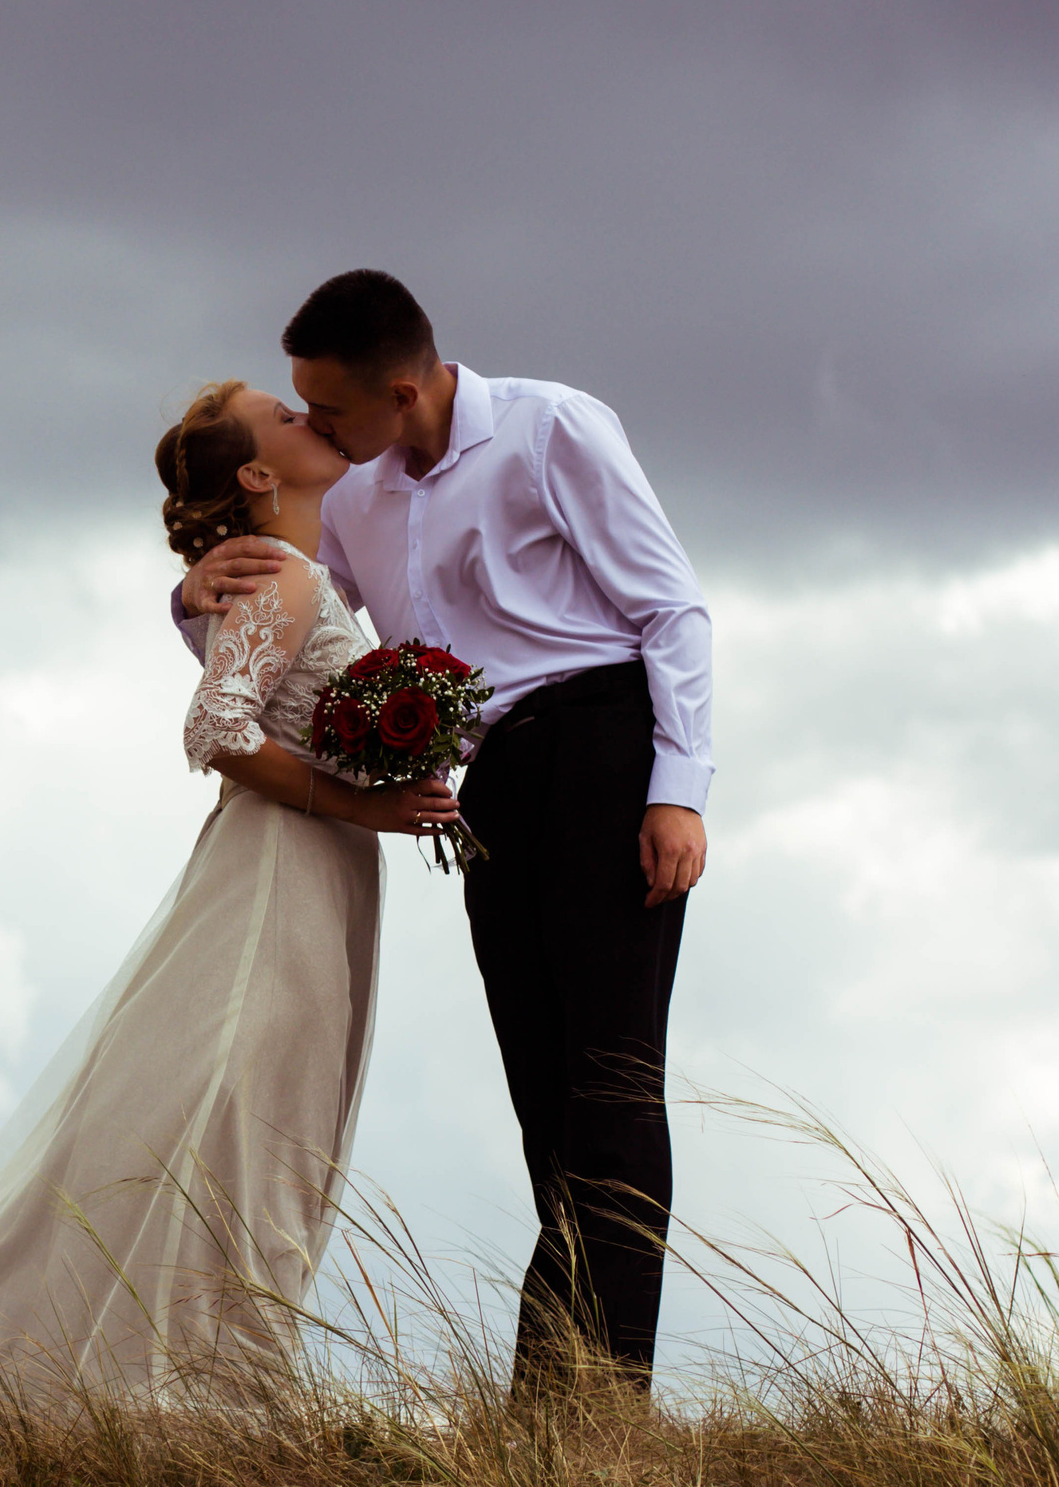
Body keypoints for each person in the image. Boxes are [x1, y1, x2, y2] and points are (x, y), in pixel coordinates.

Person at [0, 381, 458, 1429]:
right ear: (258, 476)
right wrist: (360, 800)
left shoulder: (312, 574)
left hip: (324, 871)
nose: (309, 414)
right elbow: (215, 730)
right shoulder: (280, 578)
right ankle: (206, 1389)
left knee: (278, 1114)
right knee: (237, 1111)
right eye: (283, 414)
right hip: (276, 871)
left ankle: (215, 1372)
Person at [176, 270, 711, 1393]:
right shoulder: (358, 501)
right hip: (490, 789)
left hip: (604, 748)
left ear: (403, 389)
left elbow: (669, 608)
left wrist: (677, 791)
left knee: (610, 1082)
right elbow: (309, 641)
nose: (315, 428)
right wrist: (191, 599)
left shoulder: (551, 426)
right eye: (302, 411)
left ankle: (599, 1397)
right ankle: (557, 1400)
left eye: (328, 412)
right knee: (541, 1097)